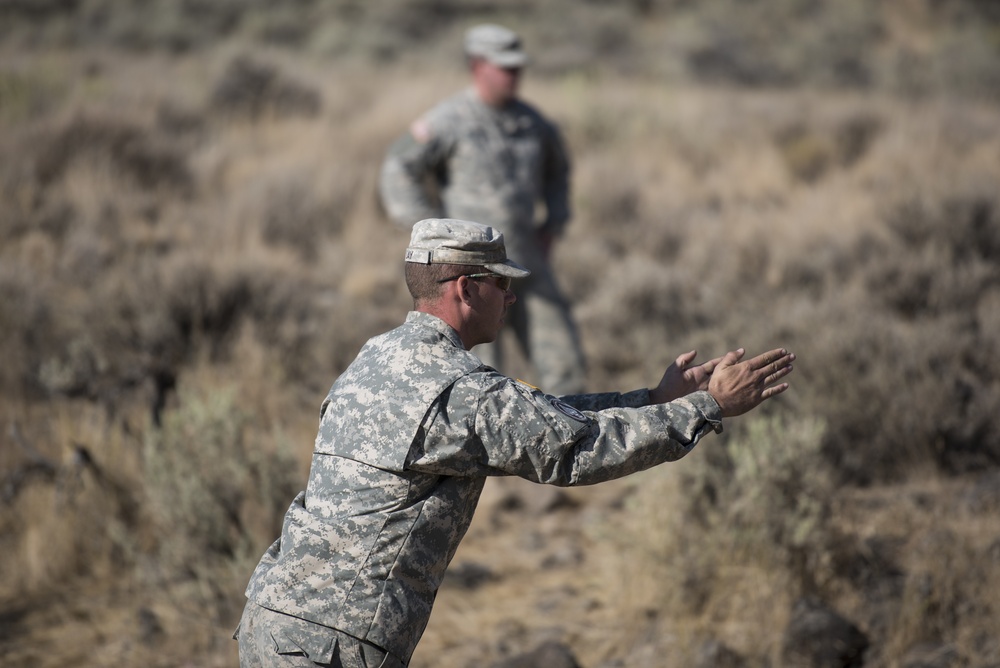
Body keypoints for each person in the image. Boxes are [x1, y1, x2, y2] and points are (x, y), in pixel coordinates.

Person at [235, 218, 795, 667]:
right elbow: (575, 451)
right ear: (465, 288)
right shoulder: (462, 390)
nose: (511, 299)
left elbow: (537, 421)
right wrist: (706, 407)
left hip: (274, 619)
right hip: (337, 644)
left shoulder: (378, 355)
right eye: (502, 283)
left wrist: (653, 400)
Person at [378, 23, 586, 395]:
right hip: (472, 274)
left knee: (564, 366)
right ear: (477, 66)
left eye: (517, 67)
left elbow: (559, 172)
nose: (514, 74)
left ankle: (572, 428)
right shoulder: (449, 120)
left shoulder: (532, 122)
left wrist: (553, 224)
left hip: (529, 261)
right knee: (479, 377)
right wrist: (427, 232)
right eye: (504, 67)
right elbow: (398, 167)